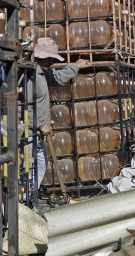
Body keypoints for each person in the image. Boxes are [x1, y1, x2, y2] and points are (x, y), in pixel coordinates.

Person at [27, 37, 89, 191]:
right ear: (44, 57)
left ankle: (27, 198)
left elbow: (58, 78)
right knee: (33, 166)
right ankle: (25, 201)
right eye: (52, 58)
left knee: (39, 164)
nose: (54, 62)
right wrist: (40, 125)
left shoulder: (42, 72)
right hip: (28, 131)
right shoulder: (30, 76)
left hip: (36, 131)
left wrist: (75, 66)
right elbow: (22, 106)